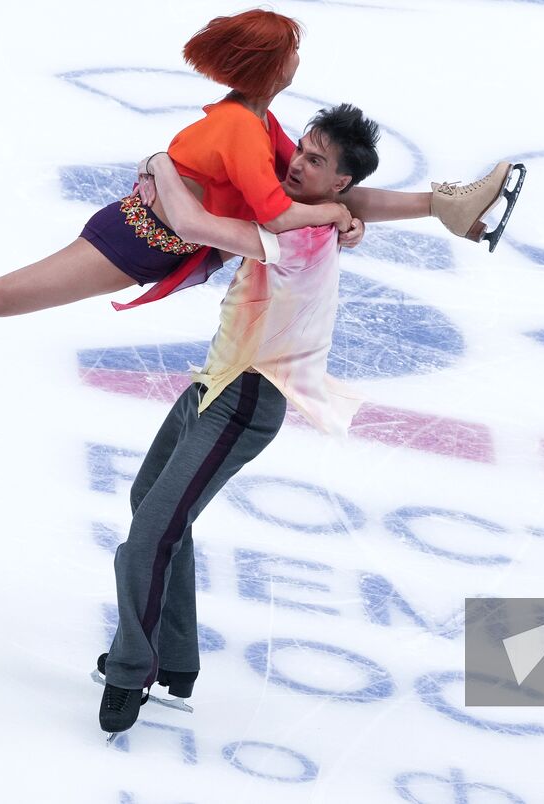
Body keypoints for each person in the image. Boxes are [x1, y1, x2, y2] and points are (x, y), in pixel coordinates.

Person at [0, 9, 520, 369]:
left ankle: (448, 208)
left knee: (332, 193)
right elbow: (285, 214)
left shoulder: (265, 126)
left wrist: (375, 208)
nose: (295, 62)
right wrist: (329, 211)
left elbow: (329, 195)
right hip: (132, 241)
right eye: (290, 53)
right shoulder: (237, 132)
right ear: (271, 69)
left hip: (172, 243)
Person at [93, 103, 387, 736]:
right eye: (301, 149)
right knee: (152, 502)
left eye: (315, 161)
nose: (297, 163)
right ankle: (175, 661)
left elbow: (191, 220)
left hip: (249, 397)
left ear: (340, 183)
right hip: (216, 383)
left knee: (149, 536)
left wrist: (159, 165)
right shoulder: (307, 211)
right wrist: (345, 214)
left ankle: (130, 671)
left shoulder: (300, 234)